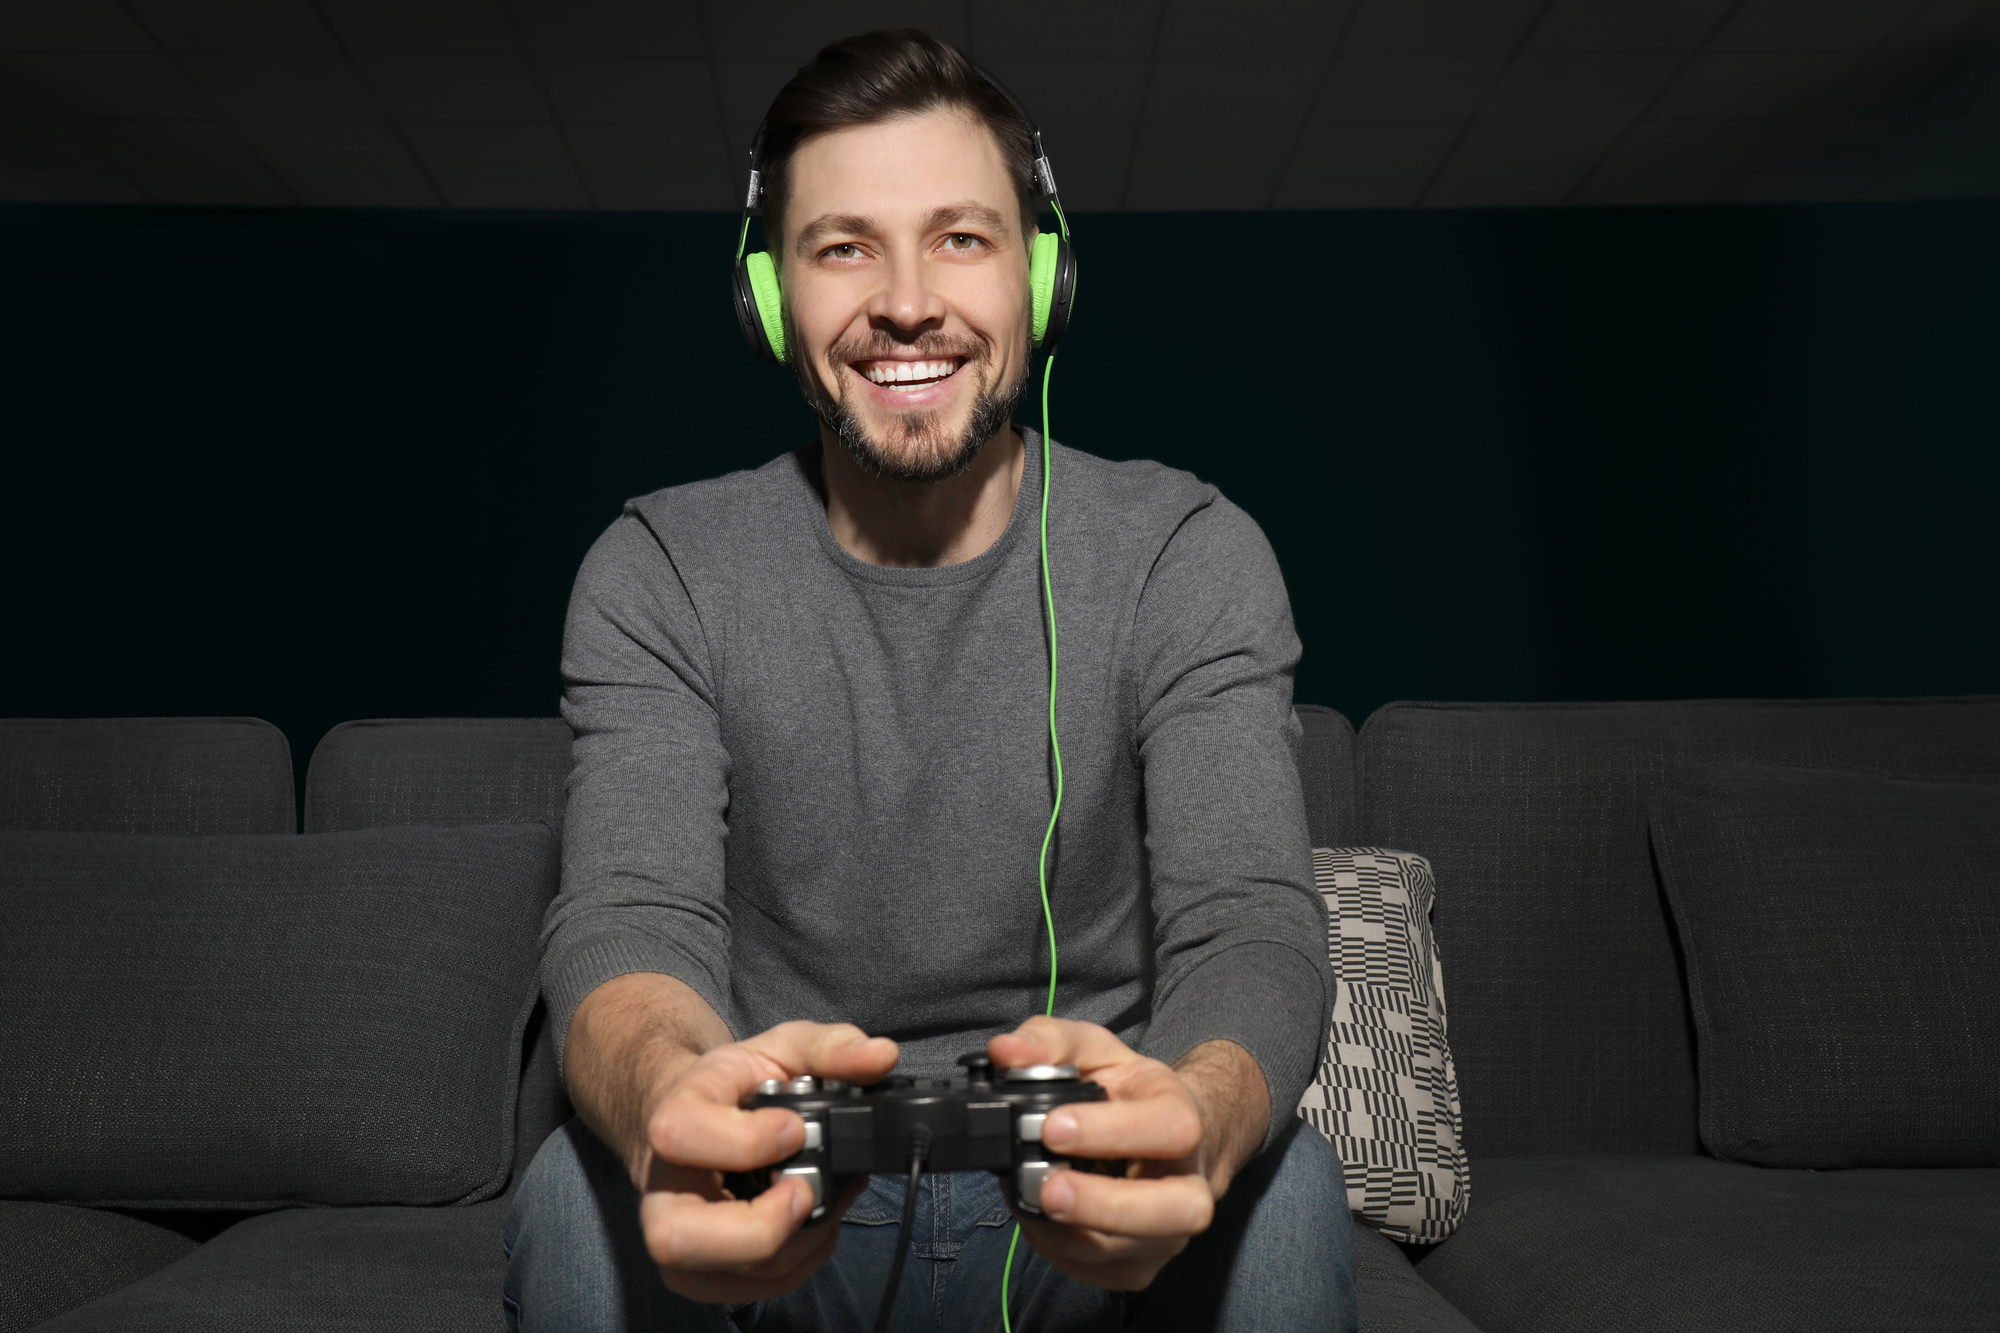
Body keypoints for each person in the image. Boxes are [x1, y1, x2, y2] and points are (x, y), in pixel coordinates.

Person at [503, 28, 1357, 1333]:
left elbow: (1248, 922)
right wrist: (673, 1095)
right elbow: (629, 919)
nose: (906, 299)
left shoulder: (1188, 552)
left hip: (1090, 1187)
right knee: (577, 1186)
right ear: (771, 297)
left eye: (960, 236)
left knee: (1283, 1185)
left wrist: (1195, 1112)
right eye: (844, 245)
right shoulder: (660, 568)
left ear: (1043, 275)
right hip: (788, 1185)